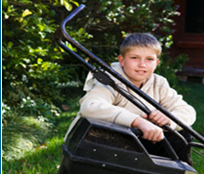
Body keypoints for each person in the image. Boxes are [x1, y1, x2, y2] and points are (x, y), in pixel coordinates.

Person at [65, 33, 196, 163]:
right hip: (101, 144)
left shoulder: (159, 83)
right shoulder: (109, 80)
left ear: (156, 63)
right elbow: (90, 106)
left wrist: (168, 118)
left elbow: (187, 110)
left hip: (136, 143)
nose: (142, 64)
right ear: (122, 60)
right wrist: (138, 122)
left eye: (149, 59)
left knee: (182, 133)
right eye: (135, 58)